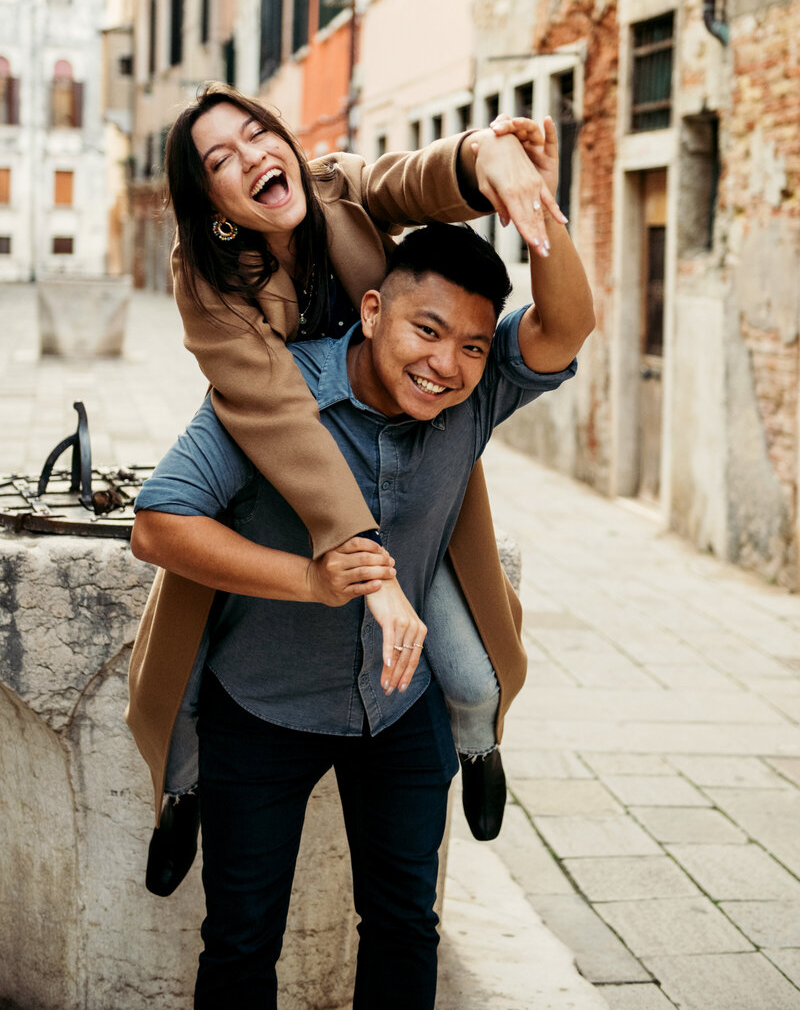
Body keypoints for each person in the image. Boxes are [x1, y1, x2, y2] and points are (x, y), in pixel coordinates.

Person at [130, 219, 594, 1009]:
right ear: (373, 309)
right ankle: (180, 800)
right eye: (428, 330)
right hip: (262, 706)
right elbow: (157, 524)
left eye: (474, 347)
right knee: (241, 942)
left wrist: (540, 215)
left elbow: (565, 325)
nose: (447, 366)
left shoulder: (472, 400)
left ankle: (480, 749)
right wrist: (309, 578)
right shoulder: (276, 396)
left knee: (406, 925)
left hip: (401, 711)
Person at [126, 83, 566, 898]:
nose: (252, 155)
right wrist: (354, 560)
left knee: (472, 673)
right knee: (182, 682)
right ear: (213, 202)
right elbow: (276, 410)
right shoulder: (207, 275)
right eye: (221, 159)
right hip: (275, 447)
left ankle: (476, 748)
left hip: (391, 452)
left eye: (257, 133)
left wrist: (484, 154)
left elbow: (418, 178)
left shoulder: (337, 187)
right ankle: (182, 797)